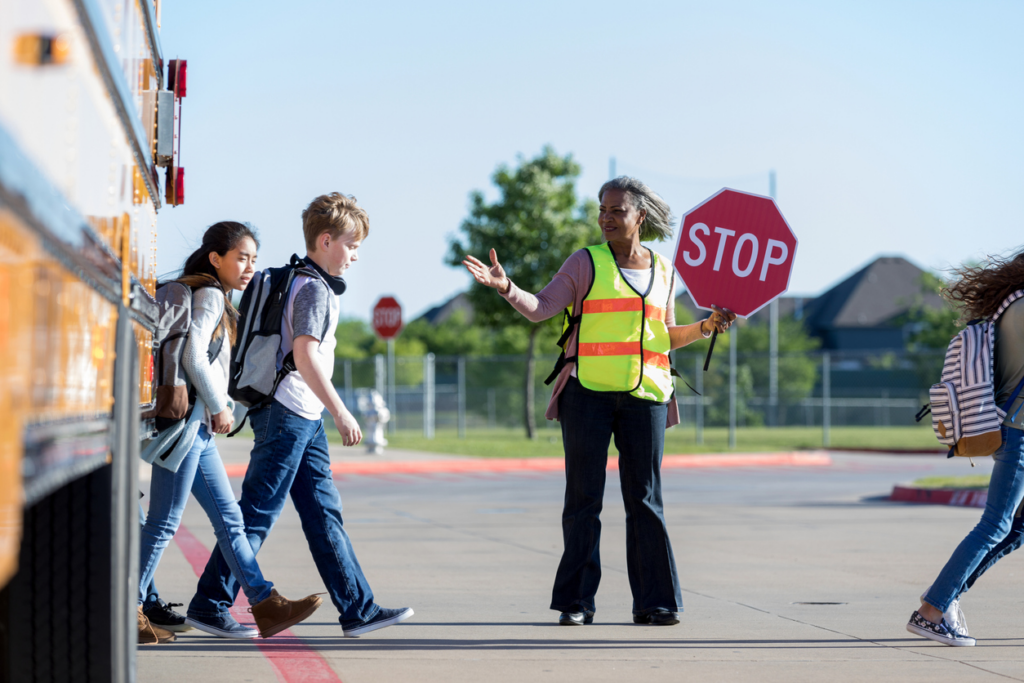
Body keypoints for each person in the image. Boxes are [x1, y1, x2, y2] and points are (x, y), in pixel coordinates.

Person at [462, 176, 736, 626]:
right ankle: (576, 603)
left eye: (616, 211)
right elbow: (542, 307)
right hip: (587, 393)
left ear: (639, 217)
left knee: (645, 500)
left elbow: (664, 336)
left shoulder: (664, 271)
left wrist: (706, 327)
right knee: (584, 499)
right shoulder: (586, 262)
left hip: (646, 395)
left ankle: (655, 602)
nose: (606, 219)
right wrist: (507, 286)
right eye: (602, 211)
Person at [186, 193, 414, 638]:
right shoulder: (311, 288)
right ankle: (210, 605)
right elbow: (305, 355)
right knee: (256, 514)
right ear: (325, 240)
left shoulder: (306, 282)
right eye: (351, 245)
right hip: (289, 413)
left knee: (323, 513)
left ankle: (358, 609)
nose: (354, 255)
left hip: (300, 417)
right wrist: (342, 412)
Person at [139, 221, 323, 643]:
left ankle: (265, 604)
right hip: (191, 426)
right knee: (166, 523)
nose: (249, 267)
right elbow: (193, 355)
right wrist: (220, 406)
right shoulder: (209, 296)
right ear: (215, 258)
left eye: (254, 259)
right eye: (242, 257)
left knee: (230, 521)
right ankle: (129, 608)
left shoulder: (217, 297)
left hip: (196, 431)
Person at [907, 251, 1024, 647]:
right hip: (1019, 432)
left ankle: (945, 596)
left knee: (1016, 527)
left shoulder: (1011, 306)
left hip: (1011, 429)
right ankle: (933, 610)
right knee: (995, 524)